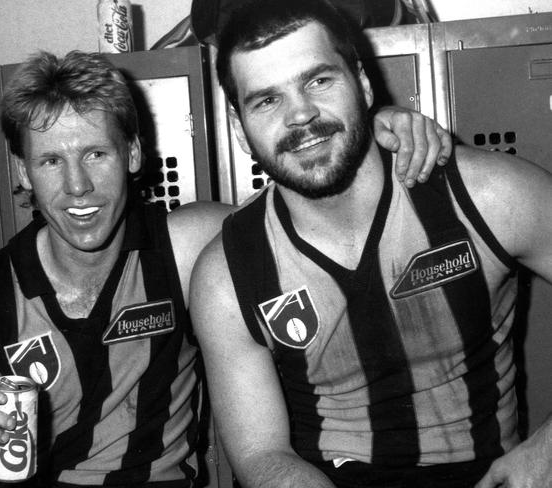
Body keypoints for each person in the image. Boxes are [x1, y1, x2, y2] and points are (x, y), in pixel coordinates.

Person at [0, 49, 448, 488]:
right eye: (51, 161)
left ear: (132, 155)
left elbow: (312, 210)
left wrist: (365, 134)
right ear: (21, 171)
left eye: (96, 154)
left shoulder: (186, 246)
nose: (77, 187)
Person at [189, 1, 552, 488]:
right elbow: (261, 455)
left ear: (361, 83)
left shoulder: (488, 197)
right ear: (238, 128)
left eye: (318, 80)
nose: (300, 114)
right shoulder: (226, 274)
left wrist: (546, 453)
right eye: (266, 100)